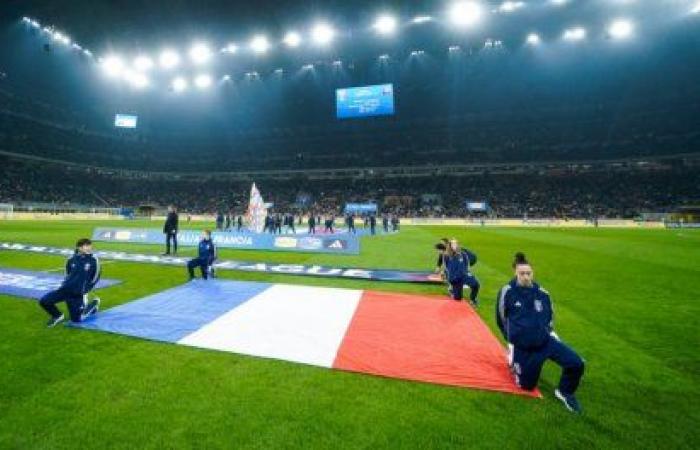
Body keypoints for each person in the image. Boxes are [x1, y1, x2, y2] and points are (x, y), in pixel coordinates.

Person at [496, 252, 585, 414]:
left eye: (528, 273)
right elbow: (501, 318)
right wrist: (512, 339)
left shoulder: (543, 294)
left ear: (533, 273)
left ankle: (565, 392)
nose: (525, 277)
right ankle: (513, 357)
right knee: (527, 386)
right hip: (524, 347)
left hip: (545, 342)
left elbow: (550, 317)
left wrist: (549, 333)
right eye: (522, 273)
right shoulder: (507, 291)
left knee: (576, 363)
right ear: (515, 272)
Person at [39, 238, 101, 327]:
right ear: (79, 247)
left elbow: (96, 276)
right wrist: (67, 284)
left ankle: (94, 304)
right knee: (44, 301)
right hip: (65, 290)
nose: (89, 248)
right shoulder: (71, 259)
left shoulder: (93, 260)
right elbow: (67, 273)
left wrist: (86, 289)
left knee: (77, 320)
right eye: (86, 246)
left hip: (77, 294)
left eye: (89, 246)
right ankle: (58, 316)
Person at [443, 238, 480, 306]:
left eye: (456, 244)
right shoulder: (446, 255)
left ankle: (472, 299)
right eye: (453, 244)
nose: (454, 245)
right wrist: (450, 277)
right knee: (458, 298)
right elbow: (446, 267)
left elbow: (467, 264)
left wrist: (467, 272)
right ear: (450, 246)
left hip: (464, 275)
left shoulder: (463, 254)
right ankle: (453, 291)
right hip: (455, 278)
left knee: (476, 284)